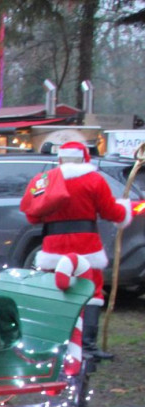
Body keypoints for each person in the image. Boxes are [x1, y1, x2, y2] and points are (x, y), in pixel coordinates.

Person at [24, 140, 131, 361]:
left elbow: (32, 215)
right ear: (85, 157)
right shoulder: (94, 180)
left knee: (57, 291)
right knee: (91, 291)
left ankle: (56, 342)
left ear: (60, 158)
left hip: (54, 244)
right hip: (86, 245)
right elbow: (112, 213)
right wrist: (125, 209)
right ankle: (87, 346)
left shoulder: (44, 180)